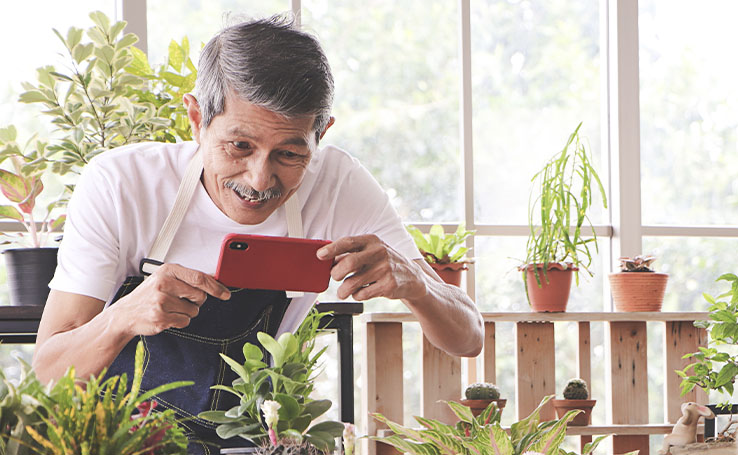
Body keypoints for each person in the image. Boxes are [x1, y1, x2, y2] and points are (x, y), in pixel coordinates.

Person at [32, 14, 483, 454]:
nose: (260, 179)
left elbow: (469, 338)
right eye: (239, 146)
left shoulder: (340, 186)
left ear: (320, 134)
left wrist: (417, 283)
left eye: (288, 153)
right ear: (196, 118)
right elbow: (49, 372)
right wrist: (124, 316)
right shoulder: (122, 183)